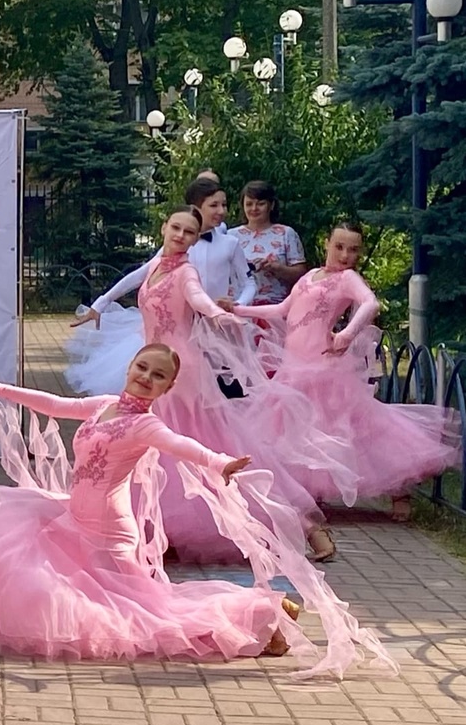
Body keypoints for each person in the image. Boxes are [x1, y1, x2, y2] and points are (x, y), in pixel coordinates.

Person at [0, 343, 396, 678]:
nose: (146, 377)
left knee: (150, 611)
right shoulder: (105, 406)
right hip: (75, 518)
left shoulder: (145, 425)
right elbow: (54, 403)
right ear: (130, 367)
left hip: (107, 532)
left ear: (167, 388)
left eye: (158, 375)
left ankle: (263, 612)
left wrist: (220, 462)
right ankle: (267, 612)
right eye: (142, 368)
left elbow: (181, 444)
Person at [83, 207, 341, 562]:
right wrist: (98, 305)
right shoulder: (157, 264)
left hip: (180, 372)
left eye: (188, 232)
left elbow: (198, 297)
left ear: (194, 239)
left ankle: (304, 526)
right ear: (164, 227)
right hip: (156, 363)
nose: (180, 235)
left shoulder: (186, 271)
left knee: (201, 443)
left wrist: (219, 313)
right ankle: (155, 525)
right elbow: (131, 279)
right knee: (157, 445)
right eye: (176, 228)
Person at [223, 222, 460, 521]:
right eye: (339, 247)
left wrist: (346, 334)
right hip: (294, 367)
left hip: (324, 368)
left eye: (353, 250)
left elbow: (370, 303)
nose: (345, 255)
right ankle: (309, 492)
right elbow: (282, 309)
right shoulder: (309, 275)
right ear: (327, 243)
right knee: (297, 430)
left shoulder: (348, 278)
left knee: (351, 430)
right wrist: (238, 310)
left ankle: (398, 490)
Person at [68, 178, 255, 397]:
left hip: (215, 327)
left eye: (224, 205)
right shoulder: (169, 252)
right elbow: (140, 275)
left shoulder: (228, 244)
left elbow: (214, 289)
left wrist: (233, 306)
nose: (221, 211)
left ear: (194, 237)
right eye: (214, 205)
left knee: (220, 391)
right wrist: (101, 302)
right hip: (173, 330)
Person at [231, 180, 308, 306]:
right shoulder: (231, 236)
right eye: (249, 204)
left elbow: (302, 275)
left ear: (271, 205)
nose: (254, 208)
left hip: (276, 306)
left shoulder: (286, 233)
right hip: (239, 306)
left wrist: (278, 268)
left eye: (260, 204)